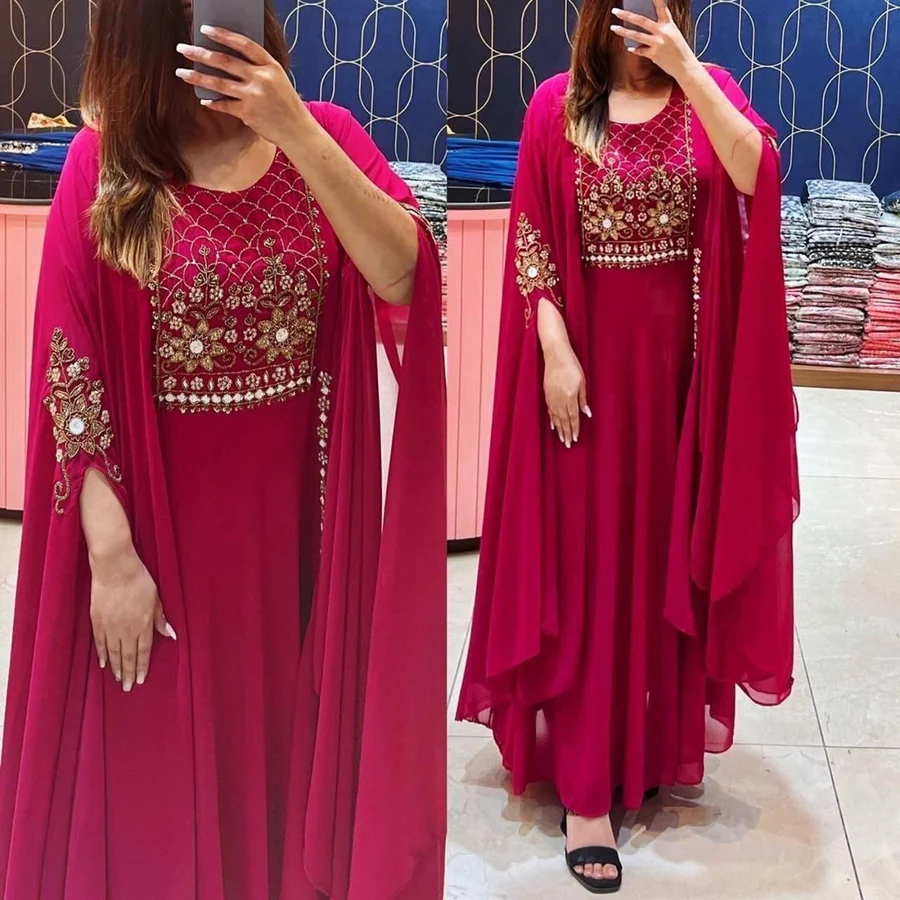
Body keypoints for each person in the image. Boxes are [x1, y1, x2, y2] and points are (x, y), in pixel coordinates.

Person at [0, 1, 446, 898]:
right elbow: (69, 364)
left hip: (293, 539)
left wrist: (293, 129)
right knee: (156, 786)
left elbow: (405, 274)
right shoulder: (104, 163)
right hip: (157, 534)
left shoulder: (326, 136)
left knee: (280, 757)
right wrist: (112, 559)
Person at [456, 0, 799, 893]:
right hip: (585, 377)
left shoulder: (708, 92)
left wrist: (688, 70)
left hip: (678, 385)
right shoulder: (557, 105)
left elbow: (758, 171)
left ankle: (642, 746)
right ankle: (584, 793)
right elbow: (533, 238)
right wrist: (554, 349)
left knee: (654, 564)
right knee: (587, 567)